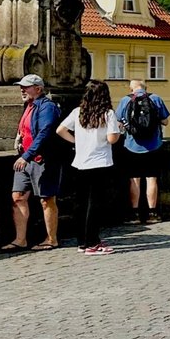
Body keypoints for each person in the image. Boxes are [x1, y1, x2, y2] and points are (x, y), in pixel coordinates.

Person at [58, 80, 122, 254]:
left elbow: (60, 130)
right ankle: (93, 242)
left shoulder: (78, 112)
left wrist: (76, 141)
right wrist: (118, 130)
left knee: (80, 204)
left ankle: (82, 241)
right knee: (95, 204)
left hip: (80, 163)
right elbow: (111, 139)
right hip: (100, 163)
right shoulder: (107, 114)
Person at [4, 73, 62, 252]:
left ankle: (52, 239)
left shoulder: (47, 107)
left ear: (38, 89)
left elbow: (44, 133)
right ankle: (20, 240)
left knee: (46, 199)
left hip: (41, 159)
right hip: (25, 158)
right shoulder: (29, 105)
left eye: (26, 86)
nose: (22, 89)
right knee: (18, 196)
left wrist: (26, 156)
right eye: (21, 86)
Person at [115, 78, 170, 223]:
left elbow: (118, 123)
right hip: (153, 146)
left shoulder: (125, 101)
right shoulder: (155, 98)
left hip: (132, 146)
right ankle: (152, 213)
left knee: (135, 180)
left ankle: (134, 214)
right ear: (145, 88)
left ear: (131, 89)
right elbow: (166, 121)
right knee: (152, 179)